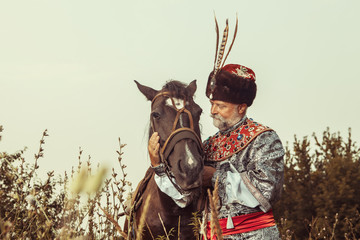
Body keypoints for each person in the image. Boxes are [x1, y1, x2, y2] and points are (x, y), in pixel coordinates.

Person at [148, 63, 284, 239]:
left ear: (241, 108)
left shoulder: (264, 139)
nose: (212, 112)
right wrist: (157, 165)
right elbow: (185, 198)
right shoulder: (209, 146)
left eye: (220, 106)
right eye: (212, 104)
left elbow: (267, 193)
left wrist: (216, 177)